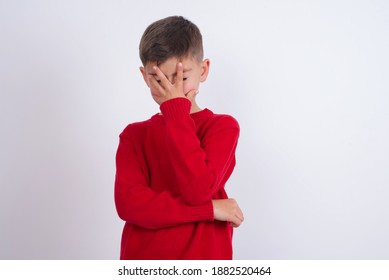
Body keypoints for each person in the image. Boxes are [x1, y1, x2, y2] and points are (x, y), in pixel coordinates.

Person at [114, 15, 244, 260]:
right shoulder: (134, 135)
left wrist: (175, 111)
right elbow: (130, 205)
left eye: (182, 78)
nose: (172, 90)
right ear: (145, 77)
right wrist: (209, 210)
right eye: (160, 80)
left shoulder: (222, 127)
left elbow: (198, 190)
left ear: (203, 70)